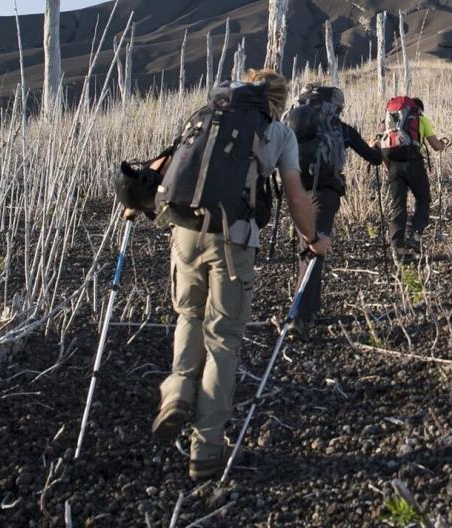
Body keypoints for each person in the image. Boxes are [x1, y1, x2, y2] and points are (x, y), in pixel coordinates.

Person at [125, 69, 330, 481]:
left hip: (183, 231)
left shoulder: (203, 117)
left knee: (189, 316)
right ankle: (206, 448)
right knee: (222, 340)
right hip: (232, 240)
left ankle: (178, 391)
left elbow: (166, 163)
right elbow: (294, 194)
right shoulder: (278, 133)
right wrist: (314, 239)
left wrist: (135, 203)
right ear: (277, 98)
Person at [287, 84, 383, 341]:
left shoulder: (294, 126)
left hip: (297, 192)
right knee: (313, 251)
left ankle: (310, 309)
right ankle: (298, 316)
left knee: (308, 248)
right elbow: (373, 159)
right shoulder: (341, 129)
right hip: (324, 196)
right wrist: (377, 145)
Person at [384, 97, 446, 260]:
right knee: (423, 199)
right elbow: (435, 145)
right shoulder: (422, 120)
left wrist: (387, 167)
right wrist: (443, 145)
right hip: (413, 163)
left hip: (394, 165)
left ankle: (397, 246)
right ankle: (415, 236)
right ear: (418, 109)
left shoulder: (390, 121)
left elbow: (380, 144)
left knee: (398, 206)